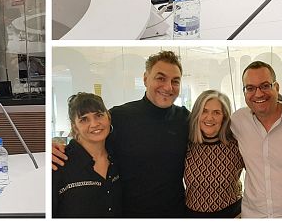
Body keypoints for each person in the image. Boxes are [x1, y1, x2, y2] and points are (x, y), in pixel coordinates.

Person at [53, 50, 190, 217]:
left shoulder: (185, 118)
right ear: (146, 79)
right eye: (160, 78)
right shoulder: (120, 116)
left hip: (176, 214)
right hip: (130, 214)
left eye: (175, 81)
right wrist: (55, 148)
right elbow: (88, 136)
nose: (168, 87)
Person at [230, 60, 282, 217]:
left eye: (265, 86)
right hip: (253, 215)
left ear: (277, 87)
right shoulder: (238, 120)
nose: (258, 93)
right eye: (250, 88)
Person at [52, 93, 121, 218]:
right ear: (75, 127)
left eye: (99, 115)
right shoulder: (59, 162)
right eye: (84, 119)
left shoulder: (119, 157)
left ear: (108, 117)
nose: (94, 124)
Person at [184, 90, 244, 217]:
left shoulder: (237, 145)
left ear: (225, 117)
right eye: (204, 111)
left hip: (232, 214)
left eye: (217, 112)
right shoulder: (186, 145)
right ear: (197, 114)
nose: (209, 117)